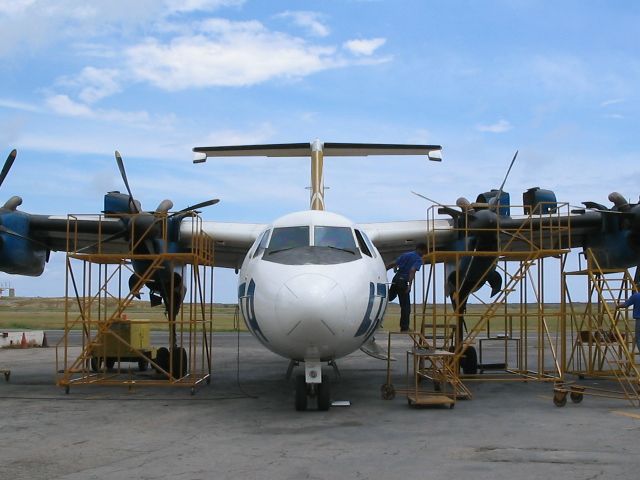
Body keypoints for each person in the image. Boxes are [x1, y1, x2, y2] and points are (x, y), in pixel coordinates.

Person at [386, 243, 427, 332]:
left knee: (388, 298)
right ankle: (404, 327)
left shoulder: (405, 255)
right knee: (405, 306)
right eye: (424, 251)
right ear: (421, 250)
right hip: (403, 281)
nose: (424, 254)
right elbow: (412, 270)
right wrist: (409, 285)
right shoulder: (418, 259)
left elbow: (393, 263)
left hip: (396, 279)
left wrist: (385, 269)